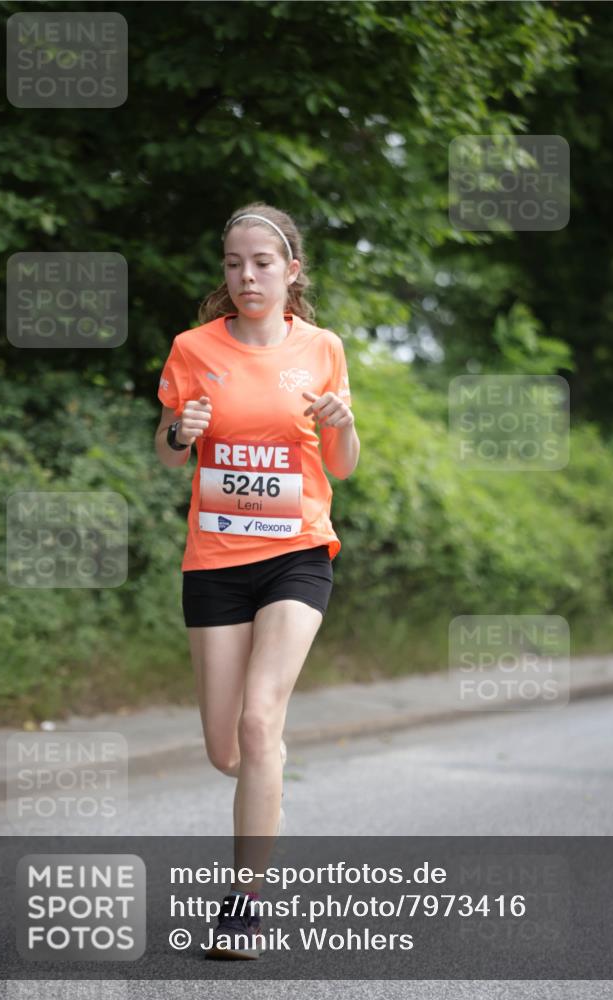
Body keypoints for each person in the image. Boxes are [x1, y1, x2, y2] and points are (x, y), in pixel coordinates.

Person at [155, 202, 359, 959]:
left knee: (257, 720)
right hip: (214, 560)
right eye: (235, 263)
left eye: (263, 263)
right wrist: (182, 430)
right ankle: (262, 776)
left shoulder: (322, 349)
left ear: (290, 271)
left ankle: (244, 905)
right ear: (225, 272)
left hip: (297, 551)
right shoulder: (191, 348)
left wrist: (340, 421)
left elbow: (340, 464)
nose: (247, 275)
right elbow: (171, 451)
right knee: (226, 749)